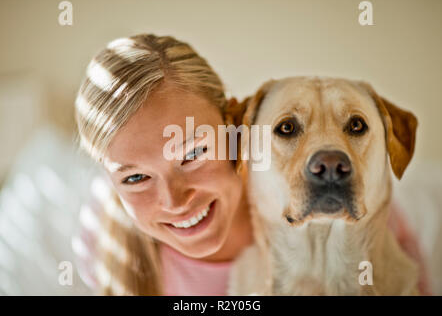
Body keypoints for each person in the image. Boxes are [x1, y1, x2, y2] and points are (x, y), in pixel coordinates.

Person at [73, 33, 429, 296]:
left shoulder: (364, 212)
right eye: (135, 177)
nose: (174, 200)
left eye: (193, 153)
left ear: (234, 127)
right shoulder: (105, 244)